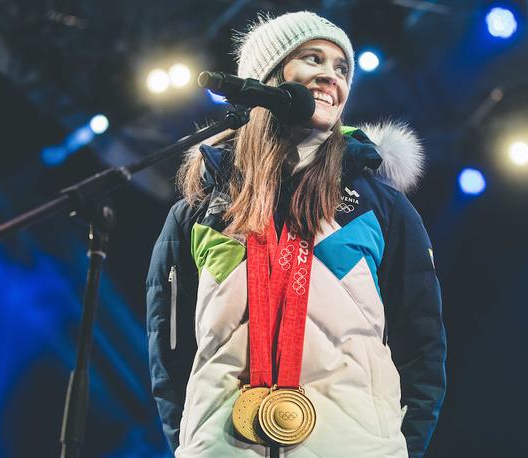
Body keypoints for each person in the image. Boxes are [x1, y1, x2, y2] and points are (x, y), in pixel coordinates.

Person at [146, 11, 446, 458]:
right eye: (313, 59)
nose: (331, 76)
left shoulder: (381, 208)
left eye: (342, 68)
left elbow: (423, 350)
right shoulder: (197, 212)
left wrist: (394, 447)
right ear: (269, 78)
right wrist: (193, 443)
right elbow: (169, 355)